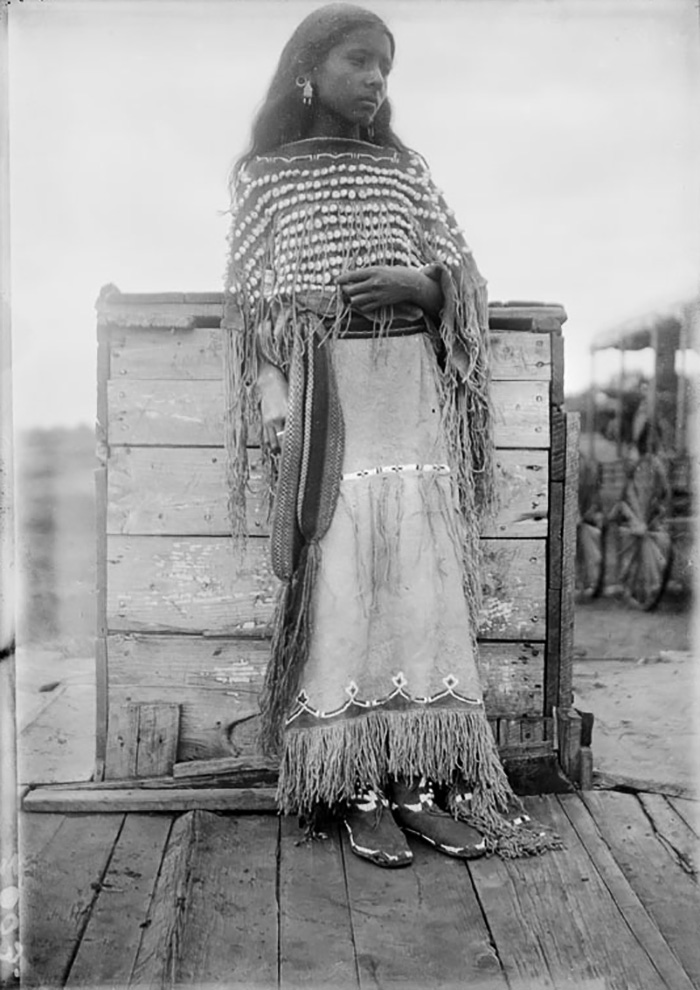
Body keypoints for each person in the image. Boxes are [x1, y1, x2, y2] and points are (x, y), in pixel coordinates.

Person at [222, 2, 560, 866]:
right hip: (326, 397)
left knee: (417, 577)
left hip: (409, 391)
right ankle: (350, 787)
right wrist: (274, 403)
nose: (376, 80)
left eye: (386, 67)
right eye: (360, 61)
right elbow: (254, 306)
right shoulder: (263, 178)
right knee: (341, 583)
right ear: (310, 69)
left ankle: (415, 781)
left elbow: (467, 282)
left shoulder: (406, 173)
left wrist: (422, 283)